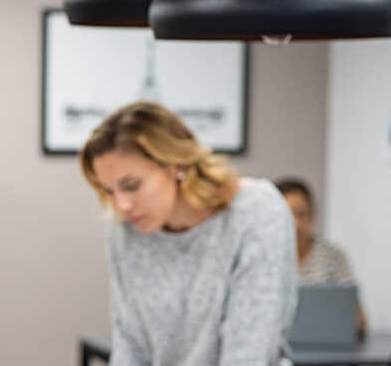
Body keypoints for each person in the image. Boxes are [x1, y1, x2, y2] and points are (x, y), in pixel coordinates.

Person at [78, 101, 297, 366]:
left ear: (176, 164)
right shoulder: (125, 230)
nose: (121, 205)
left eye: (132, 185)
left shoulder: (256, 213)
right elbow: (130, 344)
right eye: (109, 191)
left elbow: (249, 355)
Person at [275, 178, 367, 337]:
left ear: (312, 215)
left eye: (301, 214)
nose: (295, 224)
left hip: (326, 350)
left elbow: (359, 320)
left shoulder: (333, 257)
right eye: (287, 215)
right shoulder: (261, 260)